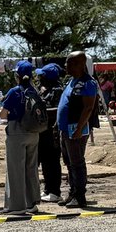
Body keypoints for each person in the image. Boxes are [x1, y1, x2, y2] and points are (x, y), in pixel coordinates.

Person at [0, 60, 46, 214]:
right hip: (34, 132)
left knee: (15, 169)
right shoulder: (35, 91)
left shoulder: (14, 91)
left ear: (17, 76)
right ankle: (31, 202)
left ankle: (16, 206)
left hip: (17, 131)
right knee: (31, 168)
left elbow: (3, 114)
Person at [57, 51, 98, 209]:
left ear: (81, 64)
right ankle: (72, 192)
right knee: (69, 163)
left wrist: (79, 128)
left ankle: (80, 196)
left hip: (76, 129)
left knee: (77, 163)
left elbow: (88, 108)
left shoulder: (88, 83)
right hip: (65, 129)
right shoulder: (71, 81)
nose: (66, 66)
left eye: (70, 63)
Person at [36, 63, 64, 202]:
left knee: (52, 161)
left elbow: (58, 110)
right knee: (45, 162)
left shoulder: (57, 91)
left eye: (41, 76)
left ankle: (55, 191)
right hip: (42, 131)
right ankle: (47, 189)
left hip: (52, 131)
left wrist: (41, 112)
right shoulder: (44, 90)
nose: (39, 78)